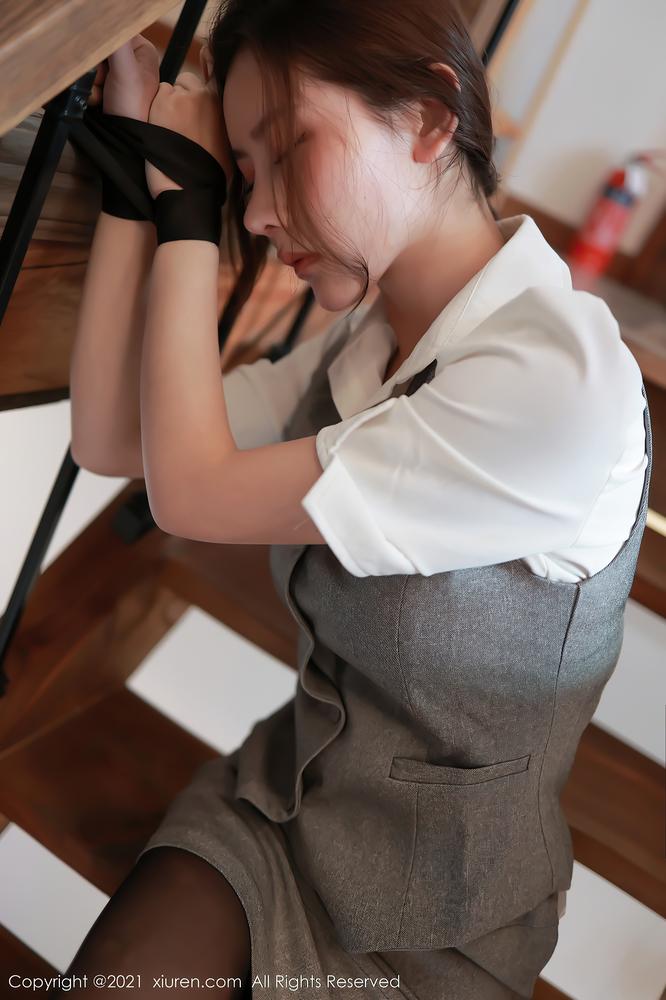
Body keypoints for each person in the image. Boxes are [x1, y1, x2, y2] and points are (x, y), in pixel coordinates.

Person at [56, 2, 651, 998]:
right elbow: (113, 437)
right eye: (244, 171)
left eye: (287, 149)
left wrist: (189, 208)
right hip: (280, 806)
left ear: (428, 116)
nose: (255, 212)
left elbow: (191, 493)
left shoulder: (558, 380)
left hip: (444, 921)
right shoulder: (366, 349)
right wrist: (136, 176)